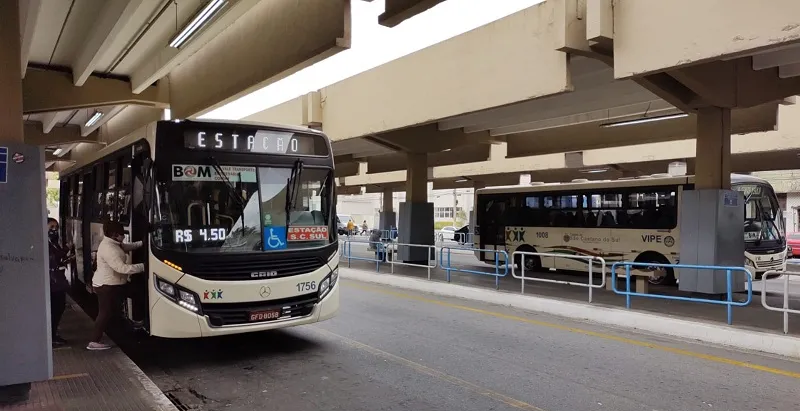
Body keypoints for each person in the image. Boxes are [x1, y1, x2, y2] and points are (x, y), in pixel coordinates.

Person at [88, 220, 144, 351]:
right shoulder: (109, 249)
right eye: (121, 234)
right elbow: (122, 268)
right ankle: (93, 341)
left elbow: (126, 247)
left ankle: (136, 320)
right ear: (114, 234)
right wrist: (143, 266)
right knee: (105, 313)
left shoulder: (113, 243)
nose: (123, 236)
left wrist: (142, 243)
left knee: (137, 293)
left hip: (115, 283)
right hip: (106, 286)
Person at [47, 218, 72, 346]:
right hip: (53, 283)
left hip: (57, 281)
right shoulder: (45, 243)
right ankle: (51, 336)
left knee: (59, 307)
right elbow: (53, 257)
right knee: (56, 308)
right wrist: (66, 250)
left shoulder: (53, 242)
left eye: (56, 227)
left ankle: (53, 334)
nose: (54, 230)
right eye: (51, 227)